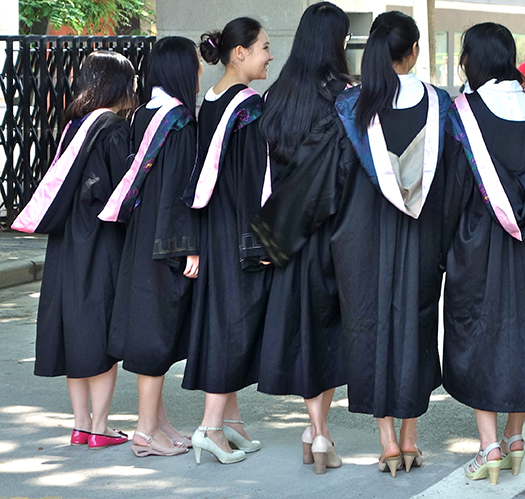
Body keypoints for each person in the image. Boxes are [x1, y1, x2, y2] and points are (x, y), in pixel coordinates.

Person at [253, 10, 451, 478]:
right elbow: (454, 183)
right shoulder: (442, 106)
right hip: (420, 241)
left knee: (371, 331)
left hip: (361, 244)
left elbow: (317, 182)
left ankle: (386, 443)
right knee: (416, 329)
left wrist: (271, 236)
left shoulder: (352, 110)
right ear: (415, 51)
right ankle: (410, 439)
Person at [11, 51, 135, 449]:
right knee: (99, 329)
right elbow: (121, 194)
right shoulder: (114, 129)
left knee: (74, 326)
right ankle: (101, 426)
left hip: (66, 243)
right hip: (100, 242)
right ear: (118, 84)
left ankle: (81, 424)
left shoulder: (74, 126)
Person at [442, 22, 525, 486]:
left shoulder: (464, 112)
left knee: (478, 332)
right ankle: (516, 437)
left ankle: (488, 448)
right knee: (521, 329)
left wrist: (442, 246)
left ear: (474, 58)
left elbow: (453, 187)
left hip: (475, 242)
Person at [253, 1, 352, 475]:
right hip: (330, 231)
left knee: (304, 330)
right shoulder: (343, 96)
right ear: (338, 42)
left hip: (284, 231)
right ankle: (319, 431)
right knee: (326, 332)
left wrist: (271, 235)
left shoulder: (276, 95)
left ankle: (315, 430)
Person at [100, 36, 202, 458]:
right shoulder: (178, 120)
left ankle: (159, 423)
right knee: (156, 332)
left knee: (149, 326)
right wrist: (189, 246)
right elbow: (179, 191)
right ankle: (145, 432)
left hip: (140, 236)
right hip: (166, 240)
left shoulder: (143, 114)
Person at [181, 16, 273, 465]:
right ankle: (211, 428)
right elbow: (257, 181)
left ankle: (232, 423)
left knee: (222, 318)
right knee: (234, 325)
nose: (269, 56)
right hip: (240, 230)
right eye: (263, 48)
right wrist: (268, 243)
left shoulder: (210, 100)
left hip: (213, 227)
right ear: (241, 52)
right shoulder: (249, 106)